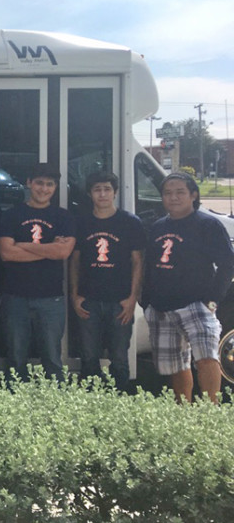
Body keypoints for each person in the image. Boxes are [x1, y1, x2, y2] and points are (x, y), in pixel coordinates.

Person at [142, 172, 234, 403]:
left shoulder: (208, 224)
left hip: (197, 305)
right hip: (162, 308)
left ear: (193, 195)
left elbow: (227, 264)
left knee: (206, 359)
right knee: (177, 365)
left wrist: (212, 301)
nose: (173, 197)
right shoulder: (158, 227)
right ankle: (184, 414)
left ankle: (209, 411)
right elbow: (148, 265)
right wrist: (147, 302)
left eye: (180, 192)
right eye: (168, 193)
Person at [0, 163, 76, 381]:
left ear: (56, 187)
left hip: (51, 299)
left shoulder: (63, 217)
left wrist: (22, 245)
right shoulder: (11, 215)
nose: (44, 188)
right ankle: (15, 407)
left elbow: (63, 252)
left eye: (50, 184)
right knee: (15, 358)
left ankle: (54, 407)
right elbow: (6, 253)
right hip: (15, 297)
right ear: (29, 183)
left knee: (52, 358)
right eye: (39, 183)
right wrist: (49, 248)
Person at [69, 171, 146, 392]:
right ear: (90, 193)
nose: (102, 194)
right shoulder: (82, 222)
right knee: (89, 356)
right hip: (89, 301)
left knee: (119, 357)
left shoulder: (130, 223)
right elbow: (75, 261)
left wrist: (132, 299)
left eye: (107, 189)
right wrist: (75, 296)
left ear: (115, 192)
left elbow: (138, 262)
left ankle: (118, 401)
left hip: (120, 301)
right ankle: (90, 403)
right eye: (97, 189)